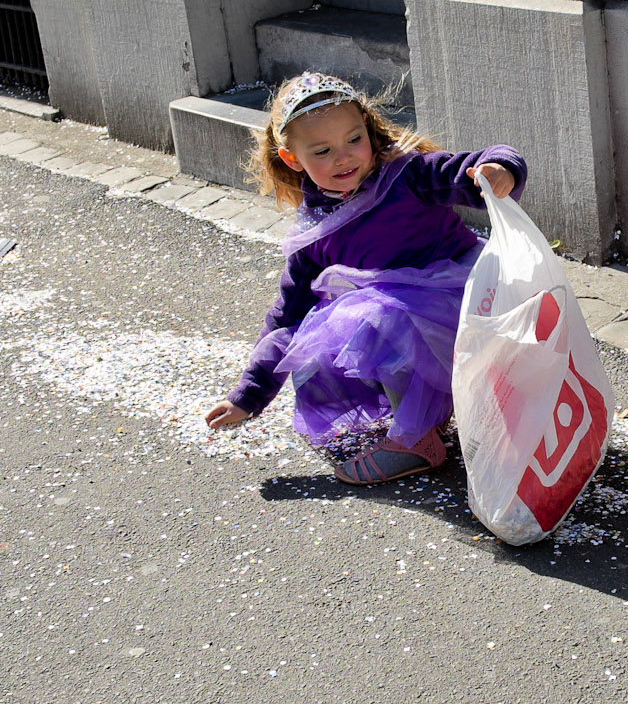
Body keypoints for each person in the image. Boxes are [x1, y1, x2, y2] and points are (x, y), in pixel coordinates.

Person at [202, 72, 524, 485]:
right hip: (403, 316)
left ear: (369, 131)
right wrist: (250, 395)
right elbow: (287, 316)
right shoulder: (316, 230)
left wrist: (499, 169)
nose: (344, 157)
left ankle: (420, 426)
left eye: (354, 139)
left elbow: (470, 164)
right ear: (292, 159)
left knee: (373, 315)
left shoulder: (407, 175)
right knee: (325, 330)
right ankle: (419, 436)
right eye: (322, 150)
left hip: (468, 295)